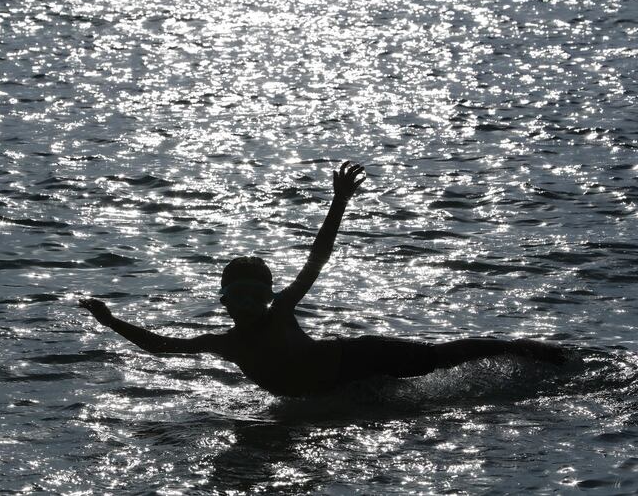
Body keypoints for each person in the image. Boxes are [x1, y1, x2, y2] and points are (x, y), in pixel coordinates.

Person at [79, 162, 565, 397]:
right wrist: (110, 320)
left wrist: (339, 201)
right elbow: (161, 347)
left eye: (256, 294)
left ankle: (529, 350)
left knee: (440, 359)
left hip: (361, 356)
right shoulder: (225, 344)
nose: (248, 303)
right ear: (223, 300)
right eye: (238, 295)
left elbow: (318, 257)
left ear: (268, 297)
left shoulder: (281, 313)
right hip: (341, 382)